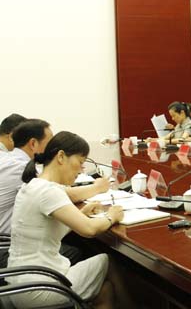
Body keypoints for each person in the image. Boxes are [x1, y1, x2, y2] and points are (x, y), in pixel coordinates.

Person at [7, 131, 125, 308]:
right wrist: (112, 216)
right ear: (61, 156)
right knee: (109, 262)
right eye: (80, 162)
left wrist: (82, 213)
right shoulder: (48, 192)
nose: (81, 170)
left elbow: (47, 228)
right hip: (38, 285)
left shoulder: (34, 184)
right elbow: (89, 230)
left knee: (105, 290)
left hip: (20, 281)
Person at [0, 119, 110, 235]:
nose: (53, 146)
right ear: (33, 143)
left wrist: (82, 213)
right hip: (6, 240)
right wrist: (98, 188)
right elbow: (66, 195)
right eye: (50, 142)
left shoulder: (7, 159)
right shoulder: (22, 168)